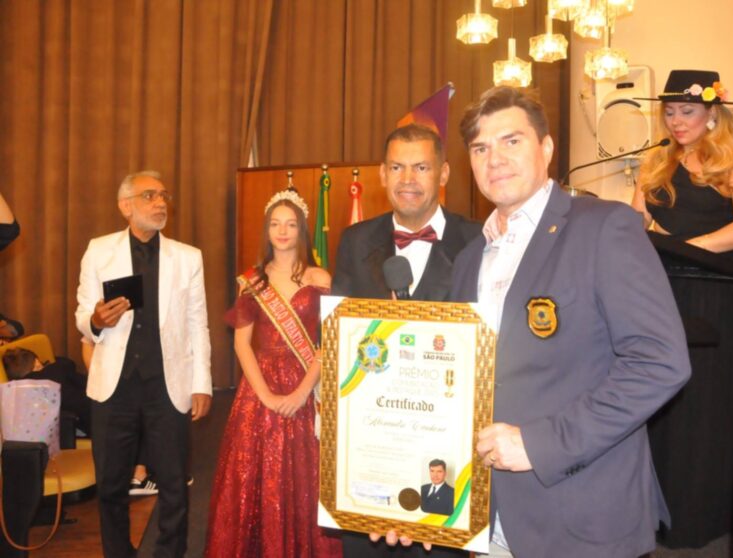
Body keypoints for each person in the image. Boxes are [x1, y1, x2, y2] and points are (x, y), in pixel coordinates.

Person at [442, 86, 689, 558]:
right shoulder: (469, 258)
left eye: (511, 141)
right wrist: (408, 500)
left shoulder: (604, 227)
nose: (495, 159)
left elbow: (660, 363)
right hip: (490, 521)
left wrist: (539, 444)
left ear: (547, 148)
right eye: (480, 148)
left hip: (580, 518)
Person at [631, 69, 733, 548]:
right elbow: (635, 224)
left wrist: (688, 248)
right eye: (669, 112)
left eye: (686, 111)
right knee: (665, 399)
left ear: (712, 111)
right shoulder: (656, 159)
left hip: (717, 291)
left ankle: (705, 515)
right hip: (662, 289)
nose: (676, 120)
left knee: (709, 401)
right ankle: (655, 511)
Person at [332, 123, 480, 558]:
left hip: (447, 440)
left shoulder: (478, 240)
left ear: (444, 173)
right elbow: (340, 337)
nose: (408, 179)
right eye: (397, 167)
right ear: (382, 174)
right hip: (374, 441)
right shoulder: (355, 240)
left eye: (421, 167)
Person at [75, 170, 212, 558]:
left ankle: (169, 553)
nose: (160, 203)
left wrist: (201, 382)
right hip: (113, 388)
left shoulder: (188, 257)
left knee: (174, 485)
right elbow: (83, 313)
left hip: (168, 386)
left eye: (164, 196)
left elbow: (197, 323)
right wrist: (96, 320)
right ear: (126, 206)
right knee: (111, 486)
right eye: (150, 196)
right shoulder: (99, 250)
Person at [204, 191, 340, 558]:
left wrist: (301, 392)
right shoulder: (252, 281)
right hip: (259, 389)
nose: (282, 231)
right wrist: (265, 395)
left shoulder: (320, 277)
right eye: (275, 224)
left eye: (291, 224)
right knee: (256, 477)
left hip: (308, 385)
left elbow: (329, 344)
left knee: (305, 478)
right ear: (266, 230)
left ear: (302, 230)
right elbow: (242, 344)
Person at [80, 337, 158, 496]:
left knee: (150, 420)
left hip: (141, 377)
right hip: (110, 384)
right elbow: (87, 342)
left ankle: (149, 473)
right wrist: (99, 379)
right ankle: (137, 476)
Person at [2, 347, 92, 435]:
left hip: (82, 423)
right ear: (37, 362)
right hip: (94, 414)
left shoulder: (18, 393)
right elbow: (68, 363)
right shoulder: (58, 369)